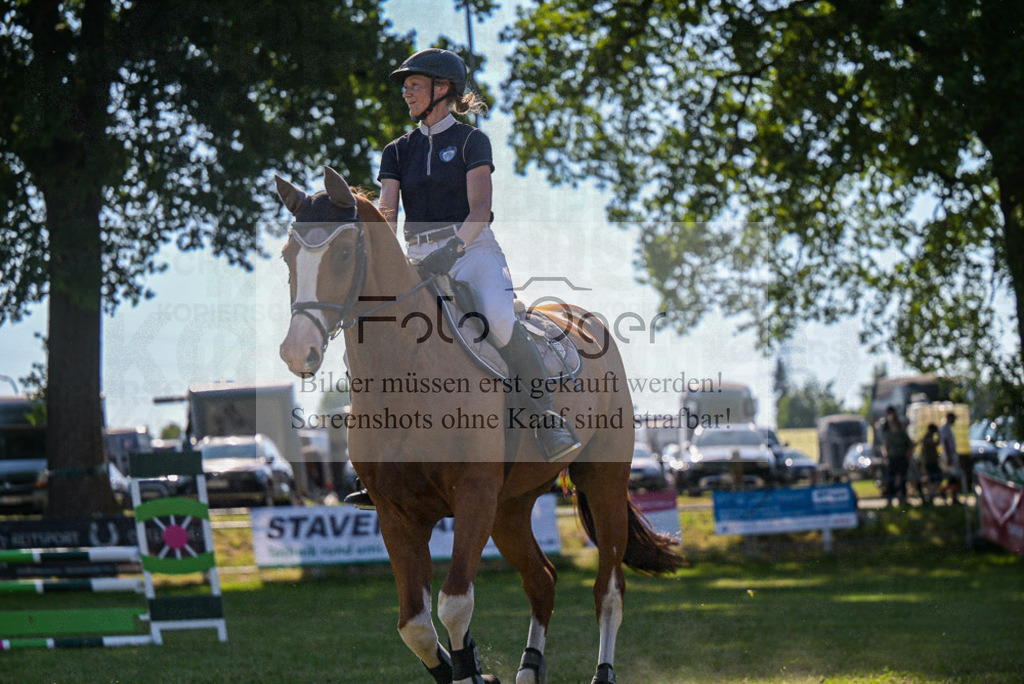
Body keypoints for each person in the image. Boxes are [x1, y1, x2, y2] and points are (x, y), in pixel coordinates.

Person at [343, 49, 580, 508]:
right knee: (372, 332)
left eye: (414, 84)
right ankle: (382, 457)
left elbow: (480, 210)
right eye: (405, 85)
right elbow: (387, 214)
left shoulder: (473, 142)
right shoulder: (397, 150)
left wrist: (451, 250)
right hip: (415, 255)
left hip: (471, 249)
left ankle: (547, 418)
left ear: (442, 89)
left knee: (498, 317)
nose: (405, 91)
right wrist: (384, 261)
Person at [881, 407, 914, 507]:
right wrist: (885, 453)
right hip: (892, 458)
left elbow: (910, 444)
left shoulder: (902, 433)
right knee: (891, 479)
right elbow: (885, 446)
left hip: (902, 457)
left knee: (903, 479)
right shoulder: (888, 434)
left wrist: (909, 452)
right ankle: (890, 500)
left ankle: (903, 499)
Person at [939, 412, 961, 504]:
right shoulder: (945, 429)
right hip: (949, 455)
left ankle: (951, 494)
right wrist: (949, 458)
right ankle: (945, 491)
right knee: (954, 477)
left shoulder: (948, 428)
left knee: (953, 477)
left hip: (951, 454)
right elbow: (945, 443)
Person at [918, 423, 942, 505]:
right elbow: (936, 444)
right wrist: (939, 435)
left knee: (934, 480)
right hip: (930, 462)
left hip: (931, 462)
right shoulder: (927, 438)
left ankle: (931, 495)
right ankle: (930, 496)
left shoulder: (927, 437)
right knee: (936, 478)